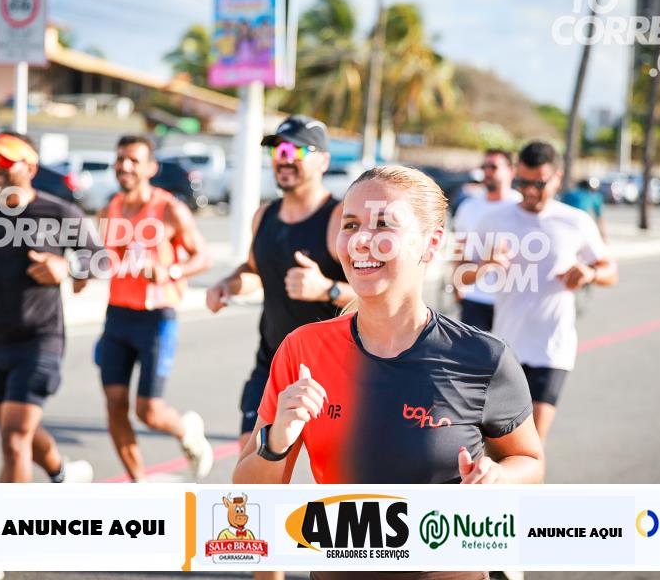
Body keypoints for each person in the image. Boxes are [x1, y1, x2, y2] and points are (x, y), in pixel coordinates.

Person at [234, 166, 544, 580]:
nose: (361, 240)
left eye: (383, 224)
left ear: (430, 243)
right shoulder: (302, 350)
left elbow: (530, 461)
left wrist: (499, 477)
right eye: (350, 224)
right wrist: (275, 441)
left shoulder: (483, 357)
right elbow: (248, 498)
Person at [206, 115, 355, 448]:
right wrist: (228, 285)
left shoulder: (339, 219)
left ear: (323, 161)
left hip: (330, 372)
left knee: (332, 474)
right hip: (273, 364)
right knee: (252, 459)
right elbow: (255, 270)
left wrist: (326, 289)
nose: (284, 158)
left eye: (296, 150)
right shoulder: (264, 215)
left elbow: (373, 296)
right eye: (277, 150)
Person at [0, 132, 94, 484]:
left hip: (40, 340)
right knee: (16, 432)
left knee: (14, 439)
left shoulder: (59, 212)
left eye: (4, 160)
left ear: (30, 168)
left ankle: (13, 517)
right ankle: (62, 474)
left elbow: (98, 258)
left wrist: (66, 267)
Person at [460, 142, 618, 443]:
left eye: (540, 183)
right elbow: (461, 274)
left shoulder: (575, 221)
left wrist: (590, 274)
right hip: (507, 348)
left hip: (552, 348)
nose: (530, 191)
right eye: (523, 182)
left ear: (557, 178)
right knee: (500, 445)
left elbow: (611, 271)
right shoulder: (494, 219)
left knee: (534, 443)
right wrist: (485, 265)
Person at [95, 135, 213, 482]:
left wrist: (170, 271)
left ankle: (187, 430)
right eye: (120, 159)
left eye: (134, 160)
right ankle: (139, 483)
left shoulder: (168, 209)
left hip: (156, 318)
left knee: (148, 411)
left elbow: (203, 256)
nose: (125, 166)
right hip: (117, 315)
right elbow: (104, 258)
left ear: (151, 168)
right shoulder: (108, 209)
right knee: (114, 406)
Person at [451, 149, 521, 331]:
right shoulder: (469, 207)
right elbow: (459, 249)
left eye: (494, 167)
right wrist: (457, 284)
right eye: (485, 167)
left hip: (511, 300)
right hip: (475, 298)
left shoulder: (520, 206)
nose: (488, 172)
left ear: (511, 171)